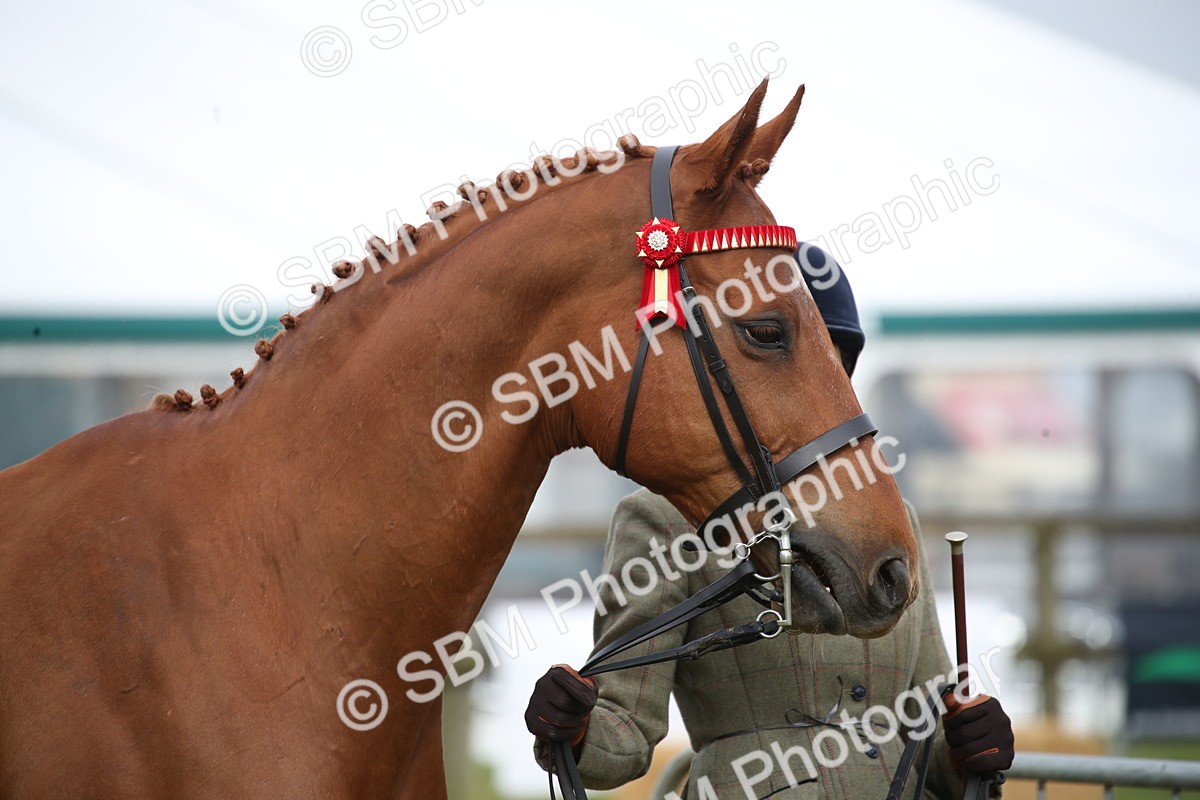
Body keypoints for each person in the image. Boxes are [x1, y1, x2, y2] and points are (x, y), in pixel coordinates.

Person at [525, 246, 1014, 799]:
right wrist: (575, 728)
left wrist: (968, 748)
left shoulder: (893, 523)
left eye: (834, 366)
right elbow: (626, 732)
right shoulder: (662, 520)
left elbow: (928, 738)